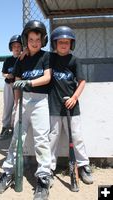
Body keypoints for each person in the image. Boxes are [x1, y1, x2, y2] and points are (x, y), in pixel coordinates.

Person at [0, 20, 52, 200]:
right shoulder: (21, 59)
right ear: (26, 39)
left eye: (38, 39)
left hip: (40, 101)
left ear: (43, 40)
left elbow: (47, 77)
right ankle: (7, 172)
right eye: (31, 39)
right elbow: (17, 82)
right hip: (24, 101)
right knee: (17, 137)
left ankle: (43, 178)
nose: (34, 42)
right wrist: (17, 102)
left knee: (42, 139)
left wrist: (30, 82)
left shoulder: (45, 56)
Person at [48, 26, 93, 186]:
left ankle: (83, 165)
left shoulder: (74, 61)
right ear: (55, 43)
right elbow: (36, 54)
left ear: (71, 44)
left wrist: (74, 97)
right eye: (60, 42)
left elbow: (82, 81)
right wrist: (25, 51)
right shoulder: (50, 59)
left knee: (76, 137)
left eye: (67, 42)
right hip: (53, 105)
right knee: (52, 138)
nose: (63, 45)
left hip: (72, 106)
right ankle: (49, 169)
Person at [0, 35, 23, 140]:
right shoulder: (8, 60)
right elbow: (3, 73)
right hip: (9, 85)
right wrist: (7, 75)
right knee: (8, 106)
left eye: (18, 46)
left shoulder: (23, 59)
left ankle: (14, 127)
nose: (16, 48)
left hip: (19, 86)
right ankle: (5, 127)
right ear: (11, 48)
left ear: (22, 47)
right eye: (14, 46)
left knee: (17, 107)